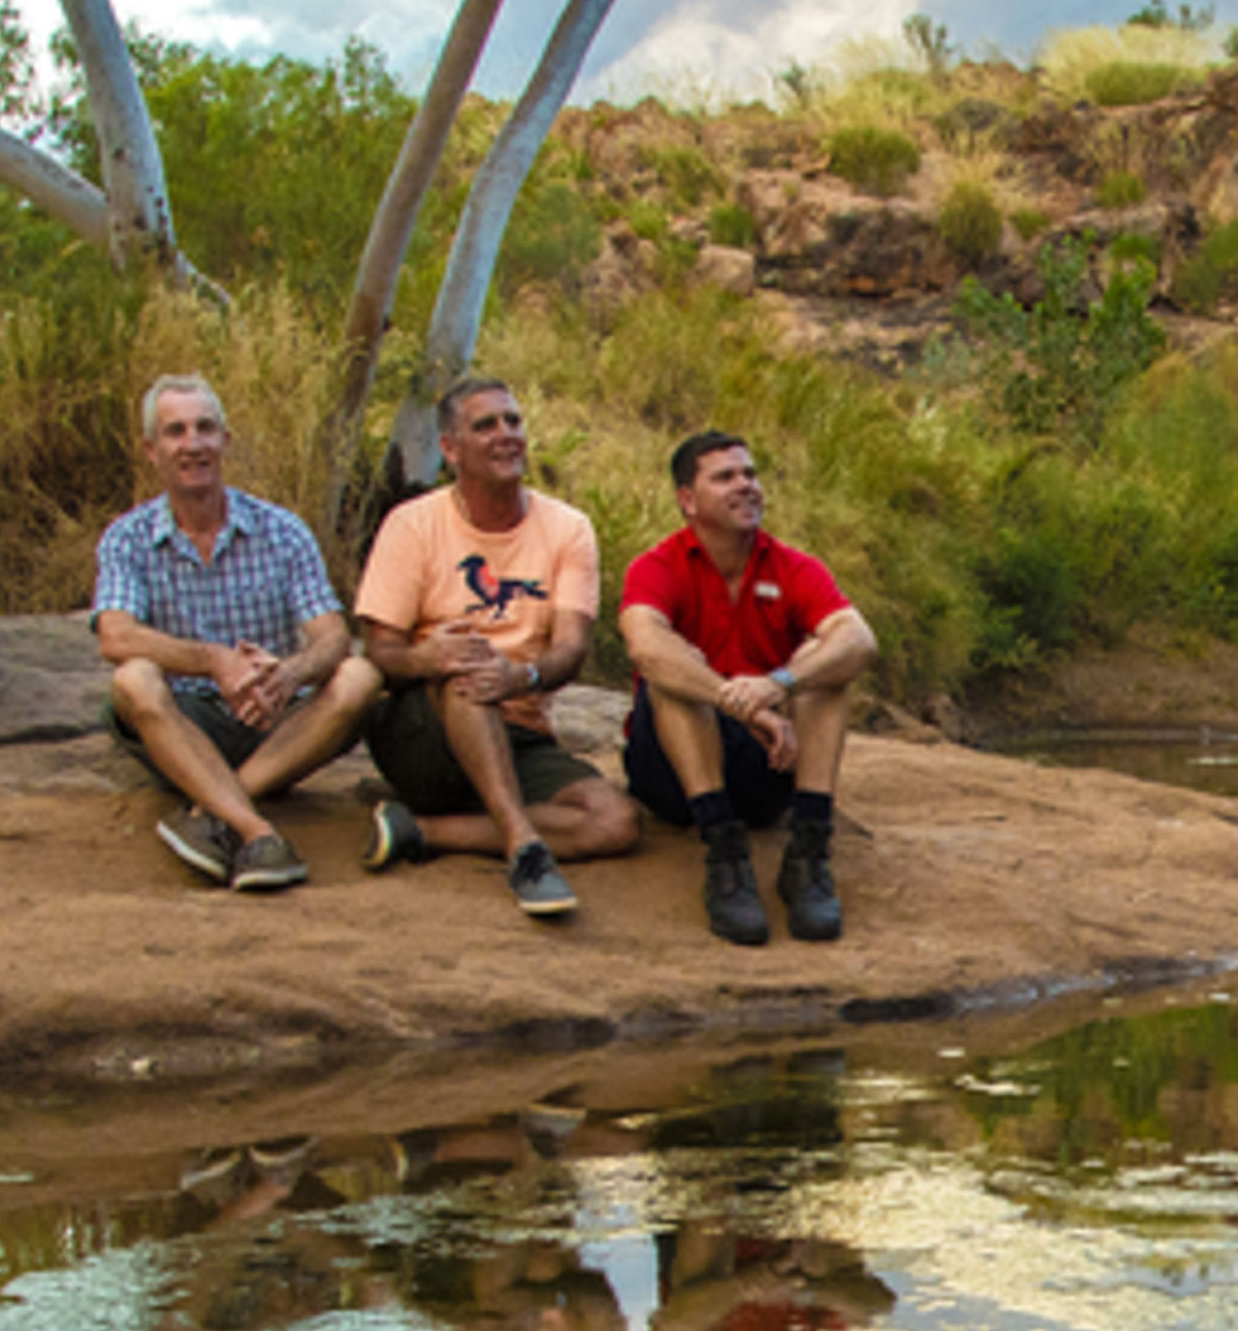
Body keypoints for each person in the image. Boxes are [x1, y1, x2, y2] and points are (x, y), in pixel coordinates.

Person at [355, 375, 641, 920]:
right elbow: (380, 656)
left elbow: (571, 649)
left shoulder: (568, 528)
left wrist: (523, 678)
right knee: (468, 665)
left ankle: (420, 830)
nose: (506, 434)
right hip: (424, 730)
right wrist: (427, 660)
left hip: (518, 731)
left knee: (615, 821)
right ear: (450, 448)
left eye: (513, 421)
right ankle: (524, 849)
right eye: (485, 425)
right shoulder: (411, 525)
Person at [93, 373, 380, 891]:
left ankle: (208, 810)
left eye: (205, 428)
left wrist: (287, 676)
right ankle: (256, 829)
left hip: (273, 721)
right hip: (183, 721)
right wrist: (216, 662)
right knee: (133, 680)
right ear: (150, 450)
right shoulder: (127, 537)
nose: (193, 444)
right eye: (175, 431)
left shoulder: (282, 529)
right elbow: (115, 636)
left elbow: (333, 635)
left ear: (225, 440)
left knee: (359, 677)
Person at [619, 428, 879, 946]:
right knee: (674, 666)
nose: (746, 486)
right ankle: (725, 857)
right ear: (688, 500)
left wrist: (779, 683)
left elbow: (859, 639)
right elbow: (645, 645)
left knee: (823, 662)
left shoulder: (791, 565)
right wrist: (738, 702)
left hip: (769, 766)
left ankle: (808, 852)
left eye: (751, 474)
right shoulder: (656, 567)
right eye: (725, 477)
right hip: (672, 772)